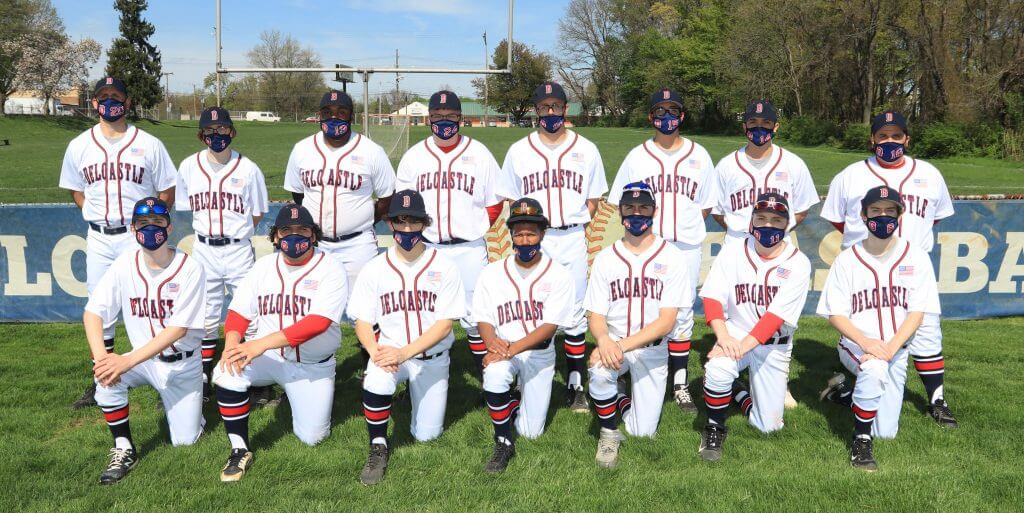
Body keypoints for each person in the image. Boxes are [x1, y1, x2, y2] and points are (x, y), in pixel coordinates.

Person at [820, 110, 957, 428]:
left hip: (913, 268)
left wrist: (906, 244)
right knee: (866, 337)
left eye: (896, 135)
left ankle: (936, 400)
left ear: (907, 139)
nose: (890, 141)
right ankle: (859, 390)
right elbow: (837, 218)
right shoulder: (850, 175)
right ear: (872, 139)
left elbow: (932, 218)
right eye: (883, 135)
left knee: (926, 333)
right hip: (866, 267)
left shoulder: (929, 174)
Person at [59, 76, 177, 409]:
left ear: (126, 103)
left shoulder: (149, 143)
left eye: (116, 97)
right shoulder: (79, 144)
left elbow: (166, 190)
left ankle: (162, 377)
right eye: (103, 97)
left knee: (151, 306)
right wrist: (94, 214)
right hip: (98, 237)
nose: (110, 102)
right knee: (100, 309)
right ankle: (104, 376)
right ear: (94, 103)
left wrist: (150, 226)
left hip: (137, 238)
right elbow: (76, 189)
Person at [211, 204, 349, 482]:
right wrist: (232, 344)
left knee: (312, 438)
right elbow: (238, 312)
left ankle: (304, 397)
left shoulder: (330, 267)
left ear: (313, 235)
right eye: (287, 230)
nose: (294, 236)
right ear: (275, 237)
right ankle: (240, 449)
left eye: (302, 230)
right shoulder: (263, 266)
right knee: (226, 371)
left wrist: (257, 344)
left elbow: (317, 323)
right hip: (271, 359)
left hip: (312, 366)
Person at [496, 81, 608, 412]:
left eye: (555, 106)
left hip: (571, 236)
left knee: (573, 314)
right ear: (535, 111)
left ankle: (575, 384)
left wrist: (571, 223)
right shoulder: (519, 150)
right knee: (528, 306)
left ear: (565, 108)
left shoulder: (586, 148)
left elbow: (593, 199)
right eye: (543, 107)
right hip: (533, 238)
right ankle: (521, 374)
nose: (549, 112)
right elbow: (512, 199)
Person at [607, 88, 718, 412]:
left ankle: (680, 382)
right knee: (638, 308)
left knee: (682, 313)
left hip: (684, 246)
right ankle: (626, 368)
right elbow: (620, 203)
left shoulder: (700, 155)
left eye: (673, 112)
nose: (666, 118)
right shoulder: (637, 156)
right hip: (646, 245)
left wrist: (680, 228)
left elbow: (706, 207)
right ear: (651, 117)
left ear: (682, 116)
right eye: (660, 112)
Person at [817, 186, 941, 471]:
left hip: (895, 348)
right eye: (875, 211)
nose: (882, 216)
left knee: (886, 430)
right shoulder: (848, 259)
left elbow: (917, 312)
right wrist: (867, 343)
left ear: (900, 215)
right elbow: (835, 314)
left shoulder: (916, 256)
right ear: (863, 215)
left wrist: (891, 348)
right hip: (857, 345)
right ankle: (860, 443)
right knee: (872, 370)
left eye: (889, 211)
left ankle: (843, 394)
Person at [84, 197, 206, 484]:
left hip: (182, 366)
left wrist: (124, 360)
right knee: (106, 376)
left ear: (170, 227)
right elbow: (92, 314)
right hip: (145, 360)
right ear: (133, 228)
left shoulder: (190, 268)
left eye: (157, 222)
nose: (151, 229)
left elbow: (177, 329)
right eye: (143, 223)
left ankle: (195, 411)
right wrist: (104, 360)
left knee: (185, 443)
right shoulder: (124, 264)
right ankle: (124, 448)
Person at [348, 190, 467, 485]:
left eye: (413, 222)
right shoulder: (375, 268)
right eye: (400, 222)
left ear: (424, 224)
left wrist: (404, 353)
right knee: (375, 378)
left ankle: (411, 397)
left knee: (427, 436)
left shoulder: (444, 266)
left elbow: (445, 325)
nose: (407, 229)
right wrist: (374, 350)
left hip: (431, 359)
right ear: (390, 224)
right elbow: (362, 319)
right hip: (391, 354)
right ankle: (378, 446)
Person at [395, 90, 503, 377]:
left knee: (477, 314)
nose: (444, 121)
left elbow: (494, 203)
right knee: (423, 312)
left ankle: (488, 373)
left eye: (451, 116)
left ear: (460, 118)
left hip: (469, 248)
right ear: (429, 118)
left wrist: (472, 227)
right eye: (438, 116)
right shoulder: (414, 156)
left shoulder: (479, 153)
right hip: (428, 248)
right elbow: (402, 204)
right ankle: (417, 372)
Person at [697, 193, 812, 462]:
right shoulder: (734, 250)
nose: (768, 225)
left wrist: (737, 349)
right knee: (717, 369)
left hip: (774, 344)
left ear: (787, 224)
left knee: (767, 427)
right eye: (761, 218)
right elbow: (713, 296)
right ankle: (715, 428)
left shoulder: (798, 262)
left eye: (776, 219)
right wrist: (724, 338)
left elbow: (775, 319)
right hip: (736, 331)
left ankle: (738, 393)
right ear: (751, 221)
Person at [584, 182, 691, 468]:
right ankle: (608, 434)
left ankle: (619, 395)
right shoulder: (606, 258)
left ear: (654, 211)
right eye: (630, 207)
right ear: (620, 211)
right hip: (615, 340)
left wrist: (617, 345)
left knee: (643, 432)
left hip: (651, 349)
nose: (636, 213)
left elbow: (667, 322)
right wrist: (604, 341)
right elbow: (595, 314)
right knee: (598, 371)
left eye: (643, 207)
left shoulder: (672, 257)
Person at [473, 198, 576, 473]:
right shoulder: (492, 273)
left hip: (538, 353)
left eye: (531, 232)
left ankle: (513, 399)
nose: (525, 239)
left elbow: (549, 327)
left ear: (543, 233)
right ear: (511, 235)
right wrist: (491, 344)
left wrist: (507, 349)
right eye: (519, 233)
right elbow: (483, 317)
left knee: (532, 433)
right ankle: (503, 442)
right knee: (495, 374)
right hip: (504, 348)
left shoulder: (558, 274)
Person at [174, 106, 269, 401]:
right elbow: (183, 207)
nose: (217, 136)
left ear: (232, 131)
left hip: (238, 248)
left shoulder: (249, 168)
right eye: (210, 131)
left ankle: (256, 376)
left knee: (248, 312)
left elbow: (257, 213)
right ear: (202, 135)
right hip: (204, 248)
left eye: (222, 130)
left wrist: (235, 233)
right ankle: (202, 374)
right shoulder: (189, 166)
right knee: (206, 313)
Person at [711, 99, 818, 247]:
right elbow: (717, 211)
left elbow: (802, 210)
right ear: (744, 126)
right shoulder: (726, 166)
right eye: (753, 122)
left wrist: (778, 231)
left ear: (775, 127)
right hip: (737, 244)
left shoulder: (794, 164)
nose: (759, 127)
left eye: (766, 122)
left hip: (779, 243)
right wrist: (736, 231)